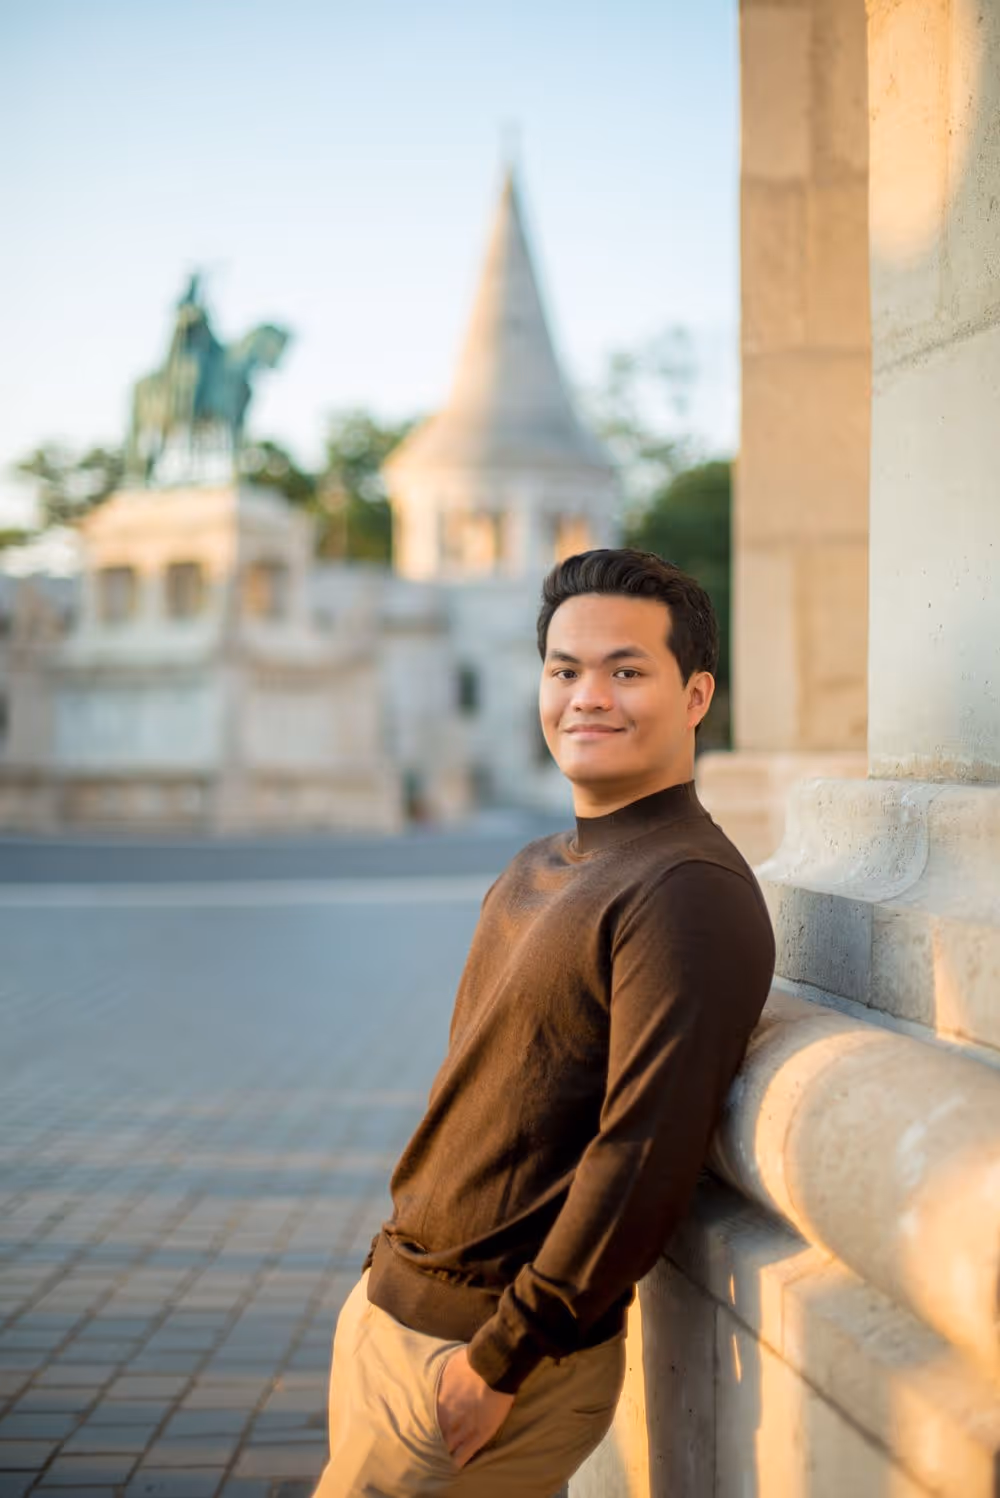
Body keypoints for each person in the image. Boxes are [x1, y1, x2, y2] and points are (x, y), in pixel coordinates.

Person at [312, 548, 775, 1498]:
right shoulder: (537, 864)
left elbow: (643, 1152)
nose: (587, 697)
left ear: (696, 696)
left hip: (482, 1365)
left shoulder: (686, 889)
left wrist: (498, 1362)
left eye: (627, 670)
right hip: (394, 1317)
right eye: (565, 669)